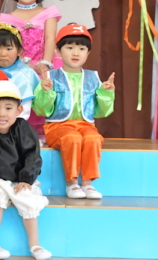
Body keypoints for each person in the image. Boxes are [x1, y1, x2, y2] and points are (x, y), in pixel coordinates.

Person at [33, 25, 115, 199]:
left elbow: (100, 112)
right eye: (69, 47)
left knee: (93, 138)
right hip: (57, 127)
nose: (76, 53)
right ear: (58, 51)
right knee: (72, 138)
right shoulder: (51, 77)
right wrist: (46, 92)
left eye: (81, 49)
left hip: (86, 125)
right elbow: (41, 109)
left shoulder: (93, 77)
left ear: (88, 53)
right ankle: (72, 183)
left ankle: (87, 183)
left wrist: (106, 93)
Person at [0, 70, 51, 260]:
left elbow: (32, 155)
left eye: (8, 108)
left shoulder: (22, 128)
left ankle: (35, 244)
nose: (2, 114)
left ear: (19, 110)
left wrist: (26, 179)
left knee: (28, 199)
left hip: (20, 179)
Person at [0, 0, 62, 138]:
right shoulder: (7, 18)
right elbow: (7, 45)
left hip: (46, 64)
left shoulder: (48, 12)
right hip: (19, 66)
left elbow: (50, 38)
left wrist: (46, 62)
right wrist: (22, 64)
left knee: (47, 89)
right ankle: (21, 135)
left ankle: (47, 134)